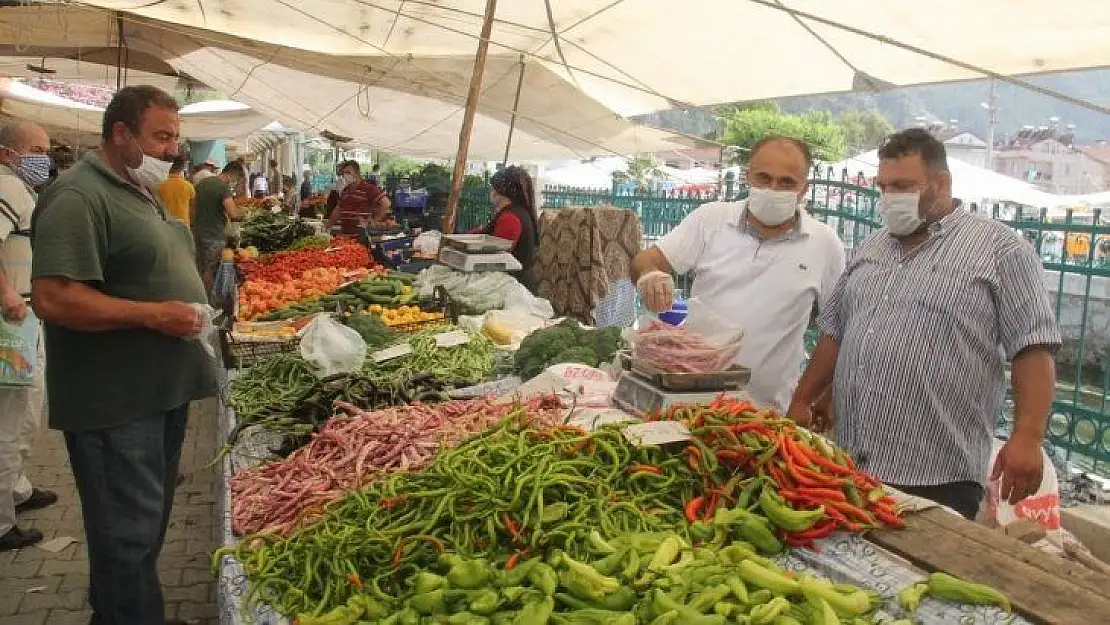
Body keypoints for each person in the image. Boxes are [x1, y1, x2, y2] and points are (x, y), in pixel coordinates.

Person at [787, 128, 1061, 520]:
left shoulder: (1000, 249)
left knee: (922, 578)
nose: (889, 198)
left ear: (941, 182)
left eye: (902, 186)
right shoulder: (872, 248)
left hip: (938, 474)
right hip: (851, 464)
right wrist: (804, 397)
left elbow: (1033, 347)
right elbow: (836, 330)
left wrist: (1028, 437)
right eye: (883, 187)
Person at [30, 85, 217, 624]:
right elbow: (54, 297)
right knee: (126, 534)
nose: (171, 149)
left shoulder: (137, 188)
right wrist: (156, 314)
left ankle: (128, 612)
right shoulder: (77, 195)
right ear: (120, 133)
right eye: (160, 136)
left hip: (159, 392)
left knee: (141, 529)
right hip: (116, 404)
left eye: (175, 138)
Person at [631, 135, 846, 412]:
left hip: (768, 411)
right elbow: (647, 259)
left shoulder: (824, 243)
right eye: (764, 178)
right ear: (748, 177)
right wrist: (649, 274)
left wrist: (810, 397)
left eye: (786, 182)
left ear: (804, 188)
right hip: (694, 401)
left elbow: (837, 330)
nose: (773, 188)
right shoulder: (710, 220)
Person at [0, 120, 56, 552]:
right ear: (9, 153)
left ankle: (17, 490)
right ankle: (3, 521)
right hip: (11, 324)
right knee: (13, 414)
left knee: (25, 407)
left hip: (21, 318)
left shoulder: (18, 188)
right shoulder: (7, 188)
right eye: (36, 149)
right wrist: (8, 298)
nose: (44, 157)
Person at [481, 165, 540, 292]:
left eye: (493, 188)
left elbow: (497, 257)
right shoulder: (517, 213)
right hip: (516, 285)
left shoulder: (510, 219)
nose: (491, 192)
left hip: (514, 290)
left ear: (499, 192)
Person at [193, 163, 245, 293]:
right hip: (214, 235)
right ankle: (208, 303)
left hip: (197, 232)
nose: (235, 182)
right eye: (236, 179)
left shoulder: (202, 184)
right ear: (233, 175)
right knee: (210, 270)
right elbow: (232, 213)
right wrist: (242, 214)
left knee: (199, 268)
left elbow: (193, 208)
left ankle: (198, 298)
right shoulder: (223, 188)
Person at [326, 159, 391, 234]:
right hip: (345, 235)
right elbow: (338, 210)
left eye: (348, 173)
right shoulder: (345, 191)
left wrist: (374, 221)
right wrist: (327, 227)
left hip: (361, 235)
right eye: (344, 173)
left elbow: (386, 203)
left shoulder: (368, 188)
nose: (345, 175)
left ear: (357, 173)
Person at [157, 156, 195, 226]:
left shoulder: (160, 185)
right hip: (183, 224)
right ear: (182, 168)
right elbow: (193, 208)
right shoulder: (188, 186)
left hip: (165, 223)